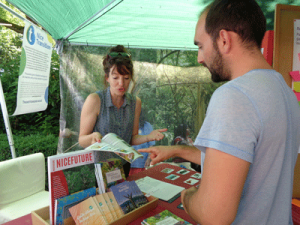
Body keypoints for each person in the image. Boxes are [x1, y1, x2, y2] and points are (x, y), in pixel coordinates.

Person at [139, 0, 300, 224]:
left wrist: (188, 197)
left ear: (223, 40)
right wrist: (177, 150)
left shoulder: (234, 96)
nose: (199, 58)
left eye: (201, 46)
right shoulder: (284, 91)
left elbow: (213, 215)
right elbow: (243, 160)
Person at [78, 45, 167, 177]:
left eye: (126, 78)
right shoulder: (95, 100)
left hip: (124, 166)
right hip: (99, 168)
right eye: (115, 78)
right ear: (107, 77)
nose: (121, 83)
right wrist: (92, 137)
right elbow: (81, 139)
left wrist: (149, 136)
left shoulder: (135, 102)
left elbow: (132, 139)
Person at [128, 109, 155, 176]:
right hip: (128, 163)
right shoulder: (127, 125)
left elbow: (151, 145)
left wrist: (149, 158)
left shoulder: (146, 126)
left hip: (142, 164)